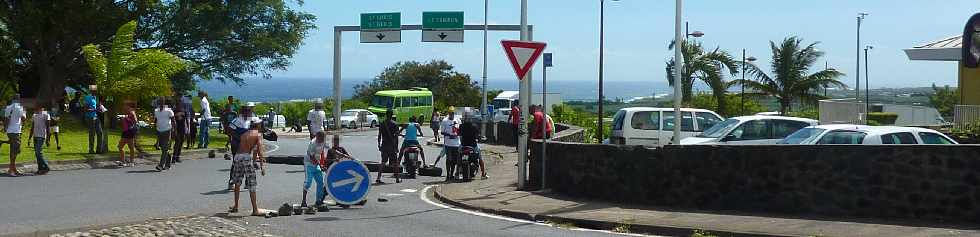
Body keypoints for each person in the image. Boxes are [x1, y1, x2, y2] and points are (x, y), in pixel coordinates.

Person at [229, 121, 266, 216]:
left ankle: (236, 206)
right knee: (251, 183)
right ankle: (255, 210)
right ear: (258, 126)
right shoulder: (258, 134)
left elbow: (253, 151)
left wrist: (254, 160)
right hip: (246, 157)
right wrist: (262, 166)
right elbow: (260, 151)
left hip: (237, 156)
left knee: (237, 182)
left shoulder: (245, 133)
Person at [227, 103, 261, 189]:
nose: (247, 113)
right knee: (236, 162)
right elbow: (229, 130)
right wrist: (239, 138)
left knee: (247, 162)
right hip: (236, 144)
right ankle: (232, 181)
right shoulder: (237, 120)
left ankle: (247, 182)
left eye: (249, 111)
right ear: (242, 112)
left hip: (247, 145)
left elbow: (258, 129)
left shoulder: (252, 120)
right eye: (245, 111)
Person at [301, 131, 328, 208]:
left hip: (317, 163)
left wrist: (323, 164)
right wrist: (320, 165)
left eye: (324, 138)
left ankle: (318, 200)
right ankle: (303, 201)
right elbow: (311, 157)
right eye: (321, 138)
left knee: (320, 182)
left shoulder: (323, 142)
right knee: (308, 182)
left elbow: (323, 152)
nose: (323, 140)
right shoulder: (312, 143)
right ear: (317, 137)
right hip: (309, 164)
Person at [460, 113, 487, 179]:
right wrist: (480, 138)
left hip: (463, 145)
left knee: (459, 157)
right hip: (473, 146)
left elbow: (460, 135)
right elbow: (478, 136)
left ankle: (457, 173)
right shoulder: (474, 126)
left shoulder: (461, 126)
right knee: (480, 158)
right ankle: (483, 174)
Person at [4, 94, 25, 176]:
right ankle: (11, 169)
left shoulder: (8, 107)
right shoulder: (19, 107)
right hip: (16, 131)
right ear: (19, 99)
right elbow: (23, 118)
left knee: (13, 149)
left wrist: (5, 128)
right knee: (16, 150)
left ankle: (13, 168)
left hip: (9, 131)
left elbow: (6, 119)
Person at [376, 109, 399, 184]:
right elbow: (396, 137)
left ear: (386, 114)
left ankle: (378, 178)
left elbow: (379, 135)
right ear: (392, 115)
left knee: (383, 162)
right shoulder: (395, 124)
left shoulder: (382, 123)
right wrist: (396, 147)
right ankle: (397, 179)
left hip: (384, 145)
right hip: (392, 146)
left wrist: (379, 144)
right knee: (395, 163)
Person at [153, 97, 175, 171]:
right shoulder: (156, 111)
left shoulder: (169, 111)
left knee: (165, 149)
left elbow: (173, 121)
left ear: (164, 102)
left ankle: (161, 165)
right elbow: (156, 120)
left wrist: (174, 131)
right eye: (159, 102)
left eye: (161, 102)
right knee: (164, 149)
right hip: (159, 131)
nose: (160, 103)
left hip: (167, 130)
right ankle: (168, 164)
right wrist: (155, 127)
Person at [440, 108, 462, 181]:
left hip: (456, 144)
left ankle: (452, 174)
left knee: (454, 161)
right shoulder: (445, 121)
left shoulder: (458, 120)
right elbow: (442, 132)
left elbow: (460, 130)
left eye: (452, 113)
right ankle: (448, 174)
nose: (451, 114)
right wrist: (449, 135)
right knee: (449, 159)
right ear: (448, 113)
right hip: (448, 144)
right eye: (450, 113)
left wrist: (457, 134)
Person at [29, 106, 51, 175]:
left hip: (41, 136)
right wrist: (29, 138)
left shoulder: (46, 115)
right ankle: (40, 169)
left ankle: (46, 167)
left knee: (38, 152)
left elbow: (48, 127)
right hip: (35, 136)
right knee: (37, 153)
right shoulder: (34, 115)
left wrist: (48, 139)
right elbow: (32, 127)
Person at [172, 95, 191, 163]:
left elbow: (187, 119)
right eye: (178, 102)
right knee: (177, 142)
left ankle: (178, 156)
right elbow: (172, 120)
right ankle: (174, 157)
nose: (180, 103)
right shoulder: (174, 111)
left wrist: (188, 128)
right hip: (176, 128)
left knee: (181, 142)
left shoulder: (184, 110)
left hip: (182, 127)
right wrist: (173, 129)